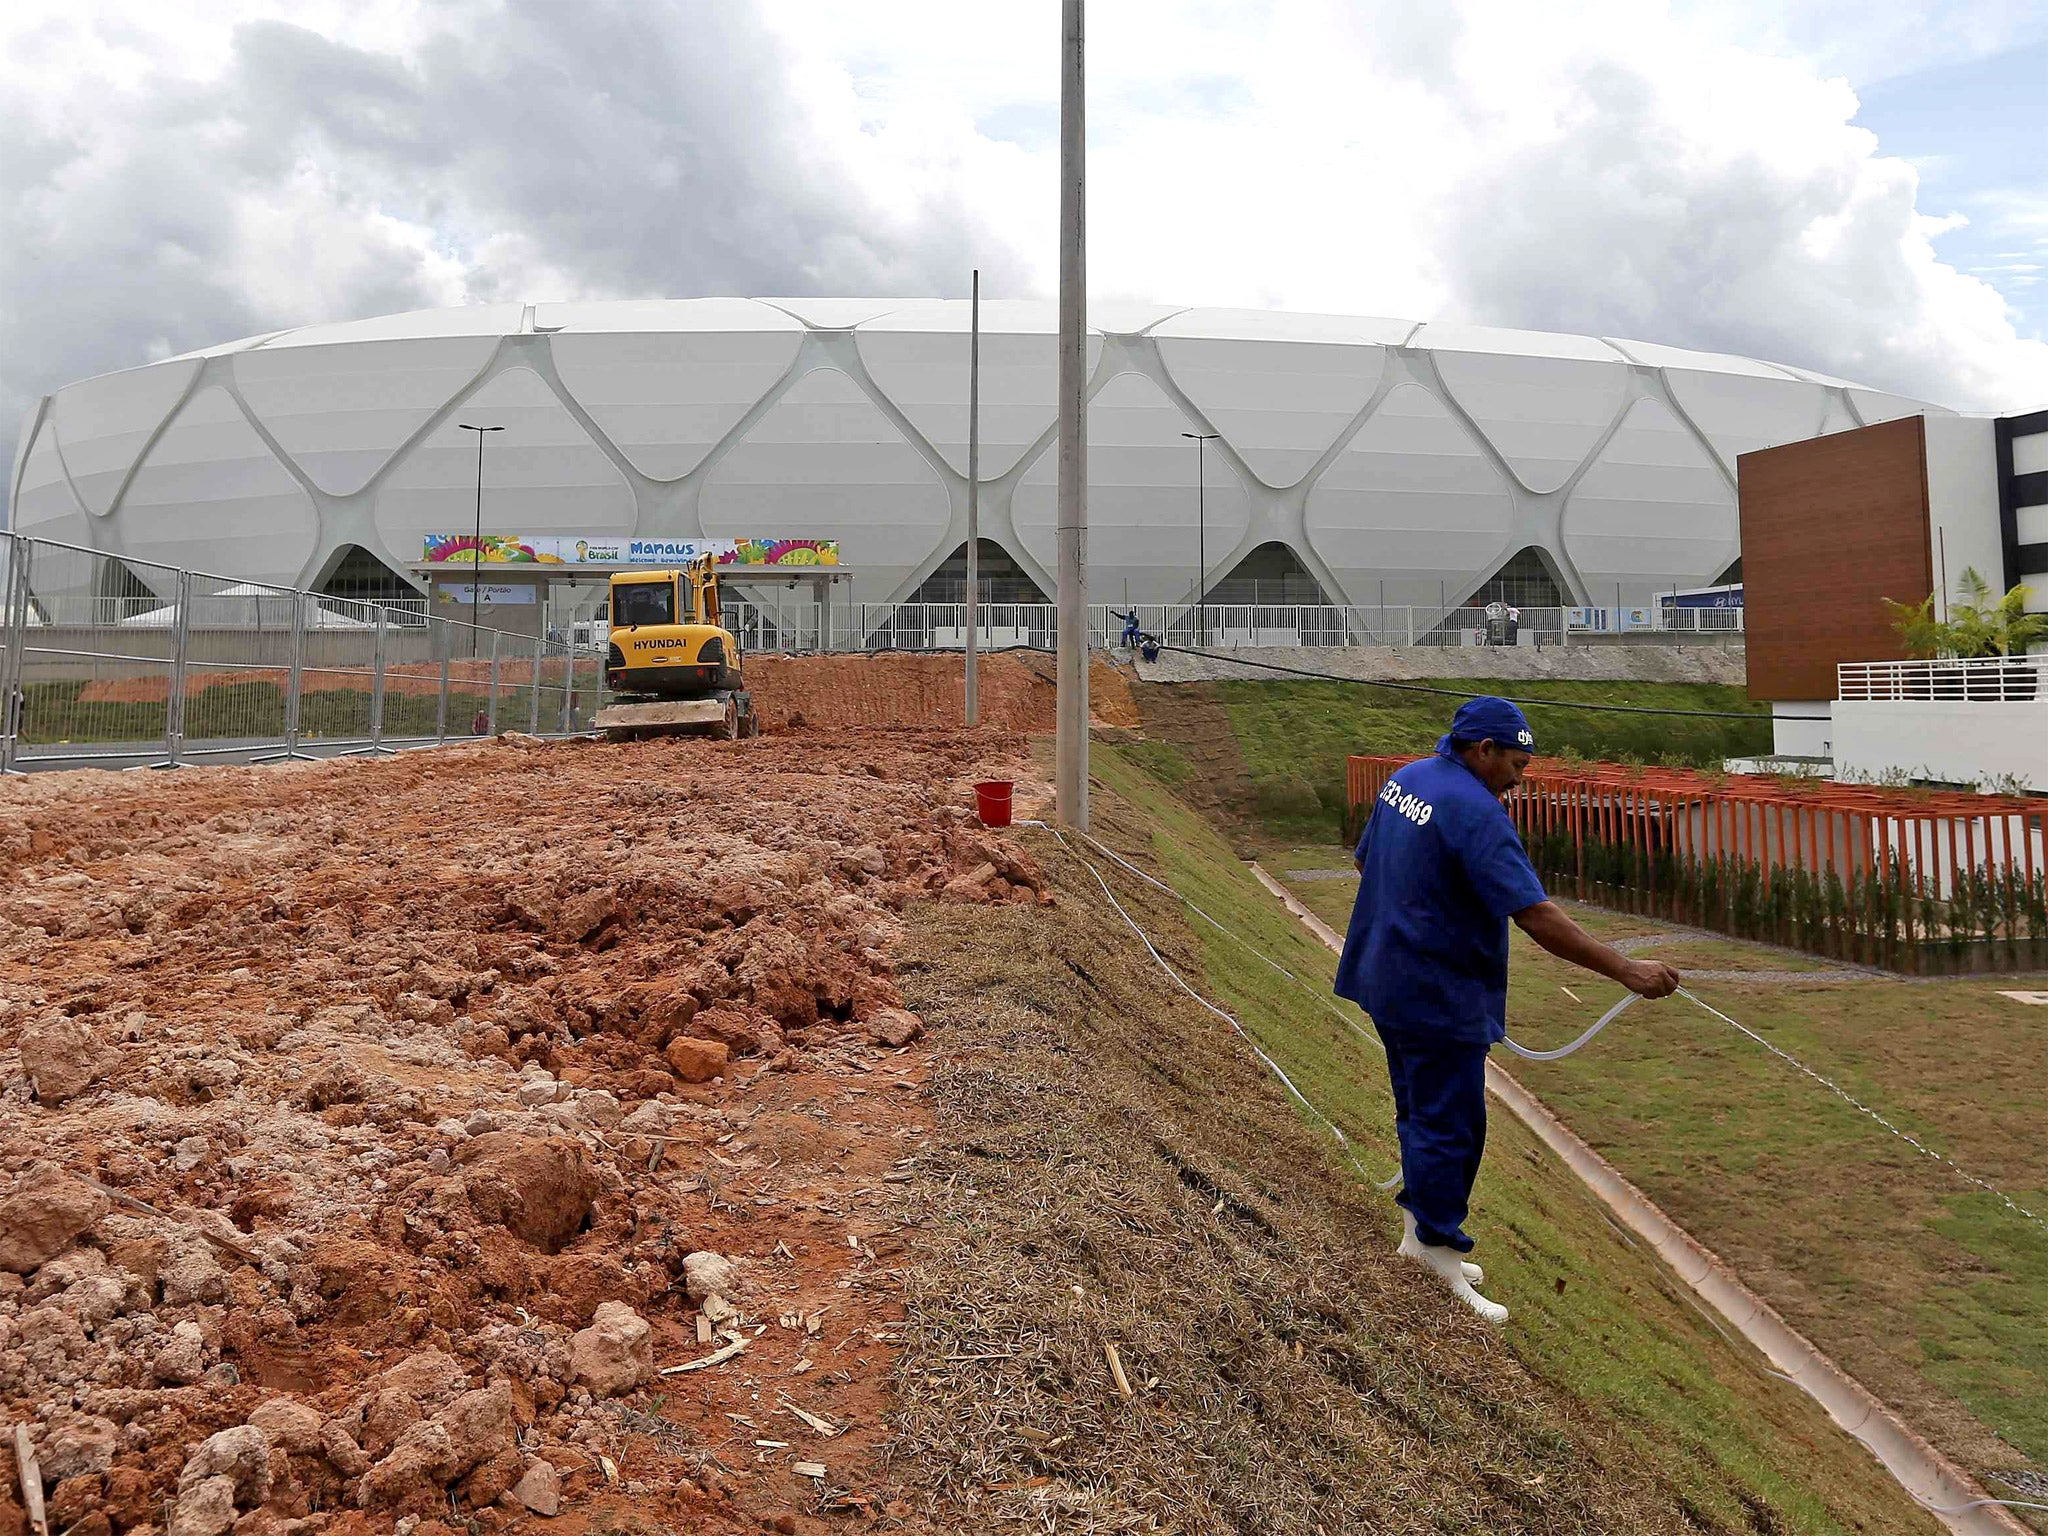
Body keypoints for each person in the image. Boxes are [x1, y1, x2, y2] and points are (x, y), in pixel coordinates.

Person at [1335, 696, 1679, 1322]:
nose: (1519, 781)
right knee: (1452, 1127)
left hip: (1386, 978)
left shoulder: (1407, 780)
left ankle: (1420, 1240)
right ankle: (1438, 1253)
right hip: (1437, 995)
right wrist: (1626, 969)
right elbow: (1537, 917)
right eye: (1514, 765)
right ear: (1482, 750)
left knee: (1420, 1111)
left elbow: (1365, 861)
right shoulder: (1477, 812)